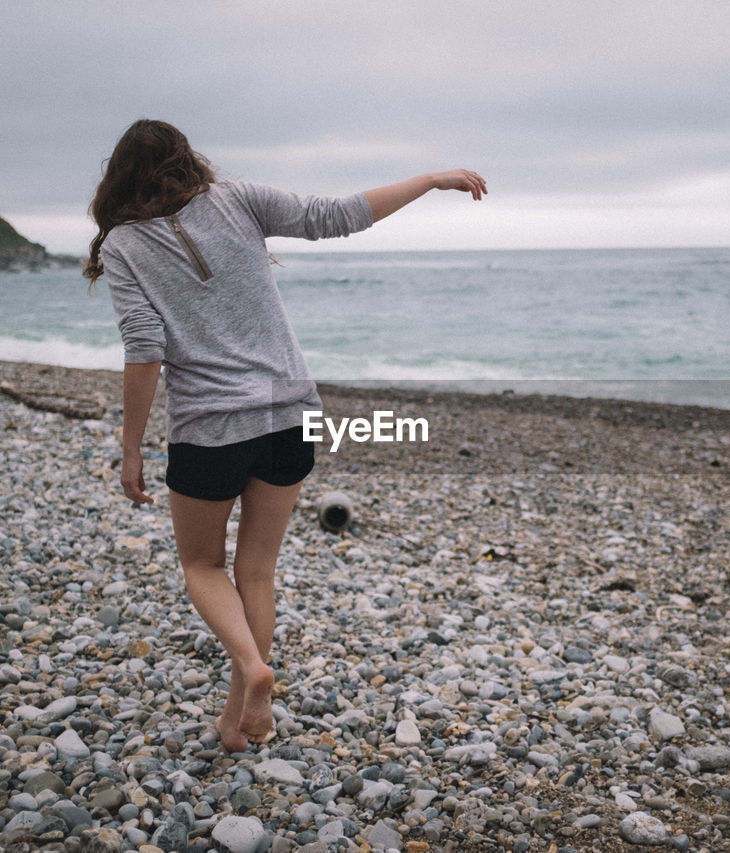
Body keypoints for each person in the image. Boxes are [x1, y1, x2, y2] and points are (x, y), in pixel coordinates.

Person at [83, 119, 485, 751]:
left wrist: (131, 446)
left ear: (118, 178)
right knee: (258, 571)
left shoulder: (124, 246)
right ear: (188, 160)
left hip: (208, 430)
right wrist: (432, 180)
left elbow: (144, 351)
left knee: (202, 563)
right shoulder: (239, 199)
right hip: (288, 416)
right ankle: (245, 716)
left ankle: (250, 670)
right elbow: (342, 215)